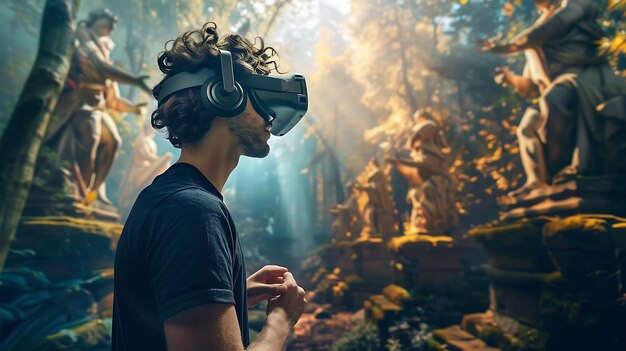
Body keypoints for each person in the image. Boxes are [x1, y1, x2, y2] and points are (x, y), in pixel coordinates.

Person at [113, 22, 308, 351]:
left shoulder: (170, 200)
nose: (270, 113)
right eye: (258, 93)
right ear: (224, 94)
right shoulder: (192, 212)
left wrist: (227, 294)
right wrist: (280, 322)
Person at [483, 0, 626, 189]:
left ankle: (574, 168)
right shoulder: (537, 33)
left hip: (582, 76)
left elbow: (556, 24)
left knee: (556, 99)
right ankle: (537, 182)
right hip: (553, 88)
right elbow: (534, 87)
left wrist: (511, 46)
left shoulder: (575, 6)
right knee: (526, 127)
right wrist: (511, 79)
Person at [44, 9, 151, 205]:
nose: (110, 27)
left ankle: (93, 191)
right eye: (107, 21)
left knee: (114, 141)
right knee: (91, 139)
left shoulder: (104, 50)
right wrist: (135, 80)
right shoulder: (83, 35)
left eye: (113, 25)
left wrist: (136, 109)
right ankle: (80, 192)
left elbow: (113, 101)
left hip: (96, 105)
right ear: (94, 19)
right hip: (79, 101)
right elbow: (100, 67)